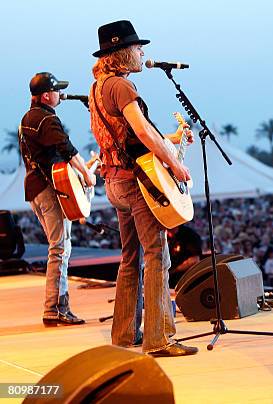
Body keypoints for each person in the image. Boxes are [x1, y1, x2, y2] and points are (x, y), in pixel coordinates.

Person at [90, 20, 197, 357]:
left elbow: (132, 138)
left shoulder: (98, 87)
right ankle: (159, 338)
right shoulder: (121, 87)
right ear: (122, 53)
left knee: (130, 258)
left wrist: (175, 140)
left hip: (115, 182)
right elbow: (145, 134)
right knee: (157, 257)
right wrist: (176, 164)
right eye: (137, 48)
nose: (142, 53)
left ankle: (123, 335)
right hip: (136, 184)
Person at [20, 72, 96, 326]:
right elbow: (67, 149)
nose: (59, 94)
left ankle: (57, 307)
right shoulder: (46, 119)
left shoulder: (27, 119)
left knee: (60, 246)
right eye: (56, 90)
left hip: (34, 189)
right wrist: (87, 173)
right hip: (48, 189)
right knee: (60, 248)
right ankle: (54, 309)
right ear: (45, 96)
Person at [168, 224, 203, 288]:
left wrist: (175, 270)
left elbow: (195, 260)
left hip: (185, 278)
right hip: (169, 277)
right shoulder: (165, 235)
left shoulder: (190, 235)